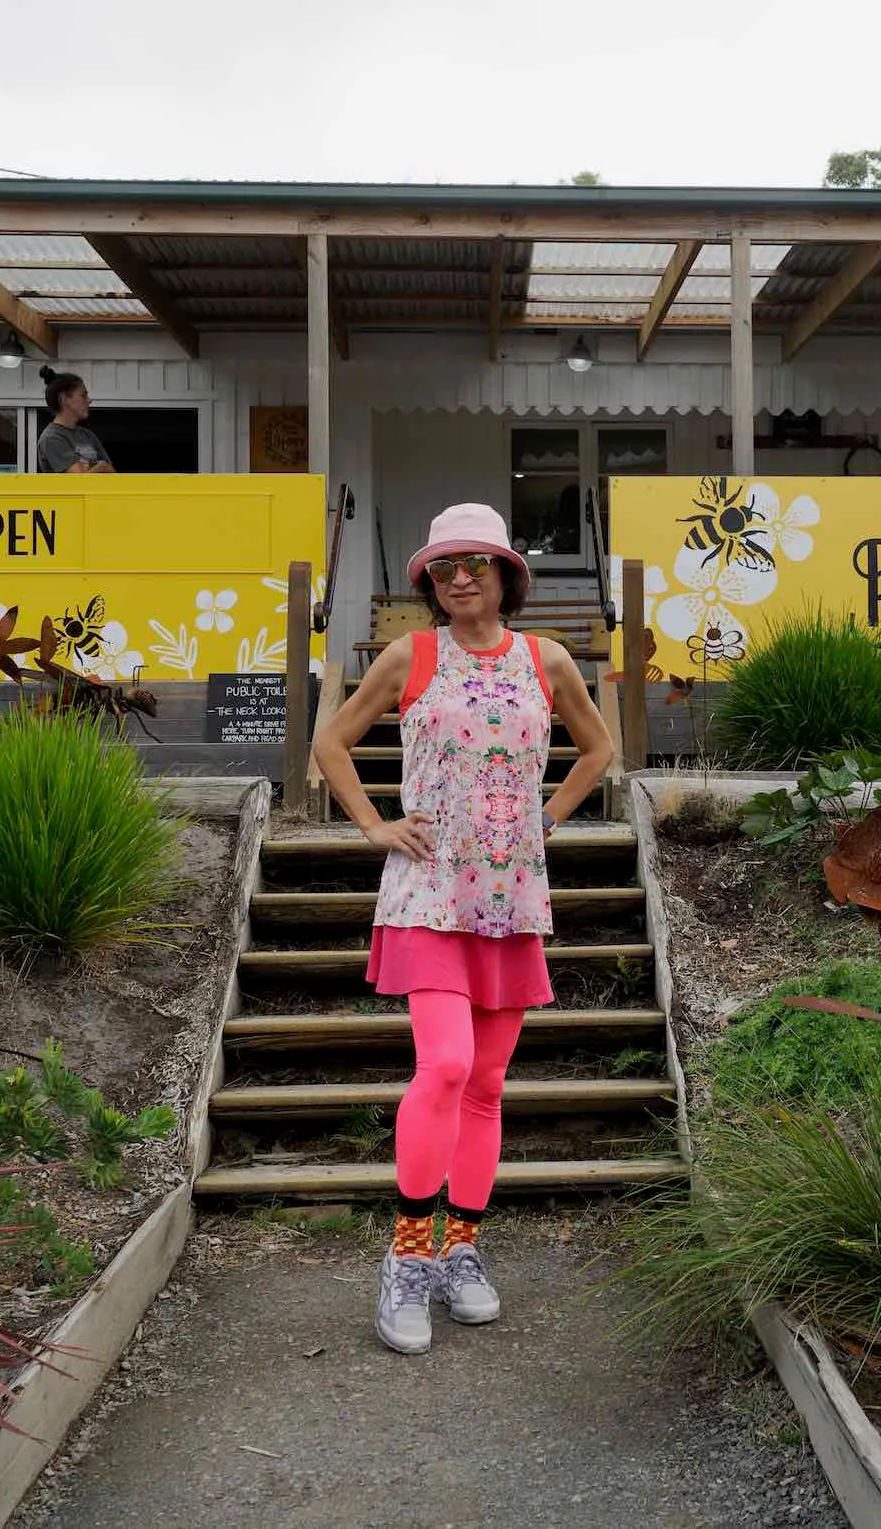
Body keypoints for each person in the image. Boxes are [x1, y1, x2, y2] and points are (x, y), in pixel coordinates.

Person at [311, 503, 615, 1355]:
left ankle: (461, 1249)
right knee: (443, 1064)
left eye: (474, 562)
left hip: (510, 895)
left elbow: (597, 749)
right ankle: (407, 1257)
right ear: (430, 583)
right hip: (428, 891)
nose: (458, 577)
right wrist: (374, 823)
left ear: (506, 573)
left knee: (486, 1083)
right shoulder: (411, 656)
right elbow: (332, 741)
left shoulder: (545, 659)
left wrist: (546, 816)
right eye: (443, 567)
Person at [35, 368, 114, 474]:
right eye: (83, 395)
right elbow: (78, 481)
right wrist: (102, 466)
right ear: (64, 399)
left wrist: (102, 468)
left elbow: (112, 476)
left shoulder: (87, 435)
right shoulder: (52, 438)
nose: (89, 400)